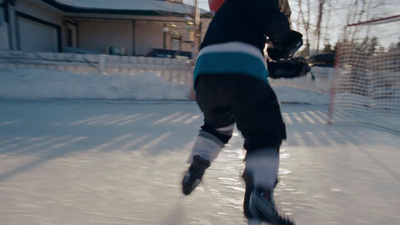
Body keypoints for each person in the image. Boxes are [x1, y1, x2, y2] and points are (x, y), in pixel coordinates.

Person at [182, 0, 310, 224]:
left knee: (217, 126)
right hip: (241, 70)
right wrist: (286, 39)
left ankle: (198, 163)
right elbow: (271, 20)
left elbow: (249, 61)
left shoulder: (226, 19)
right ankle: (261, 196)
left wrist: (287, 67)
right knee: (265, 132)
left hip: (205, 78)